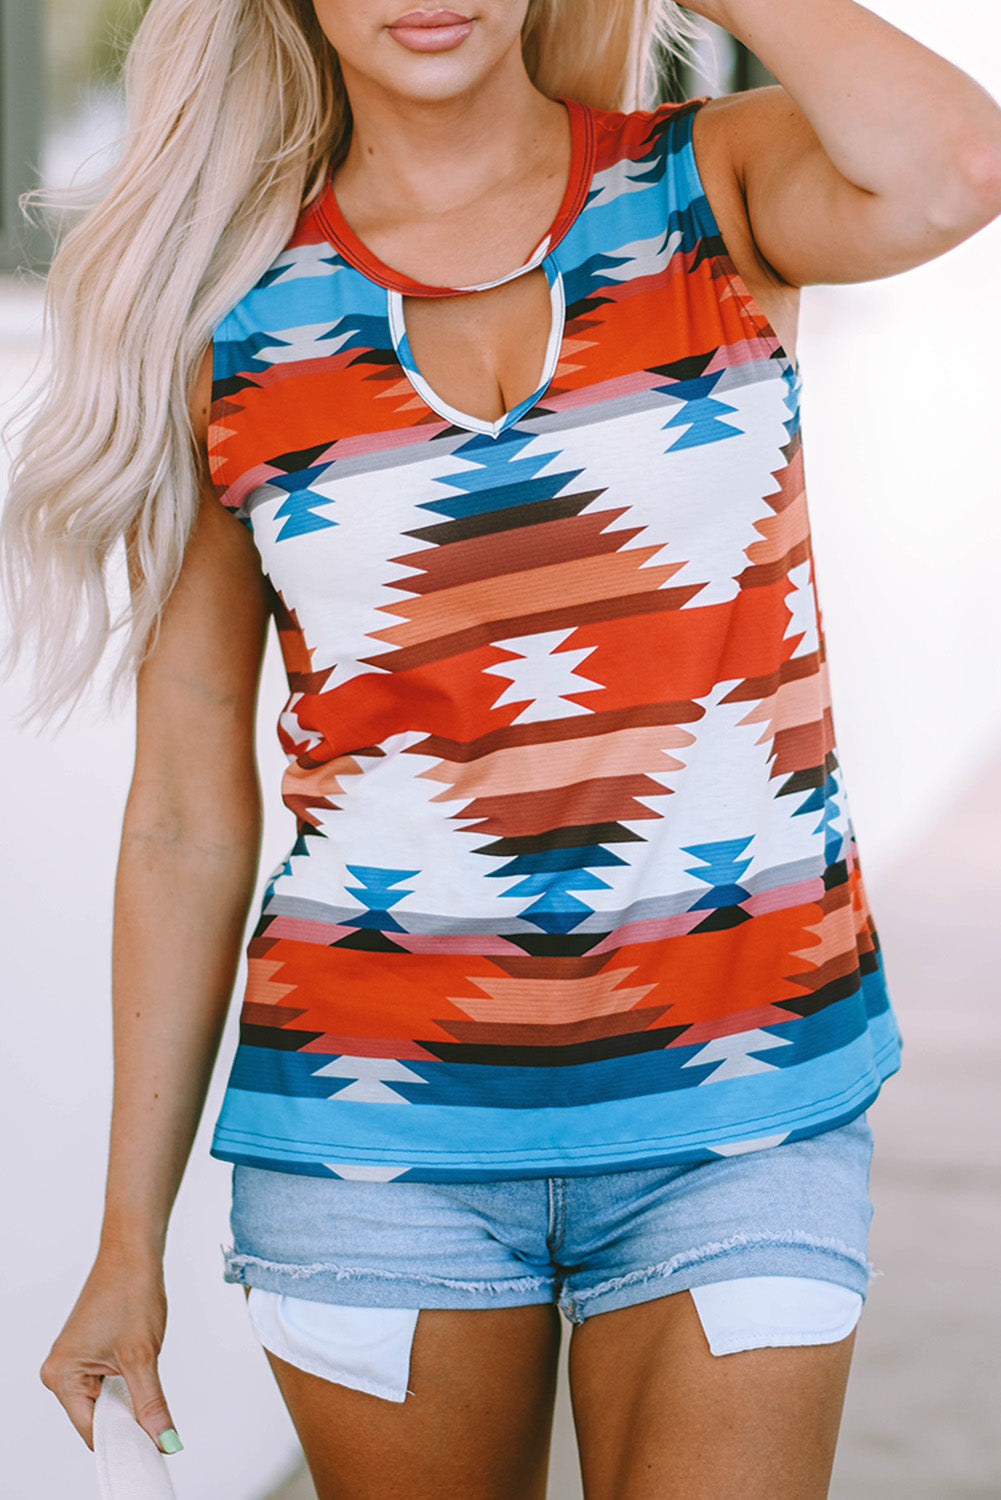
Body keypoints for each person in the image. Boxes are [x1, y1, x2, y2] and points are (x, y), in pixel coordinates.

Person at [5, 2, 1000, 1496]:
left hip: (738, 1106)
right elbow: (186, 816)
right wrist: (123, 1243)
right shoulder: (236, 322)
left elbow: (956, 166)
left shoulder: (707, 193)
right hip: (371, 1140)